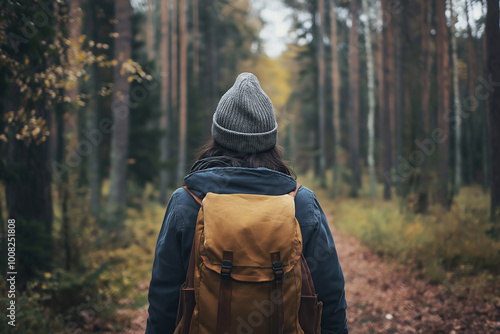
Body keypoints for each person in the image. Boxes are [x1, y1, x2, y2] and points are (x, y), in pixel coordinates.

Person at [145, 72, 348, 334]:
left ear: (217, 136)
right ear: (270, 141)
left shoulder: (187, 202)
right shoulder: (301, 203)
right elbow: (330, 295)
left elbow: (163, 300)